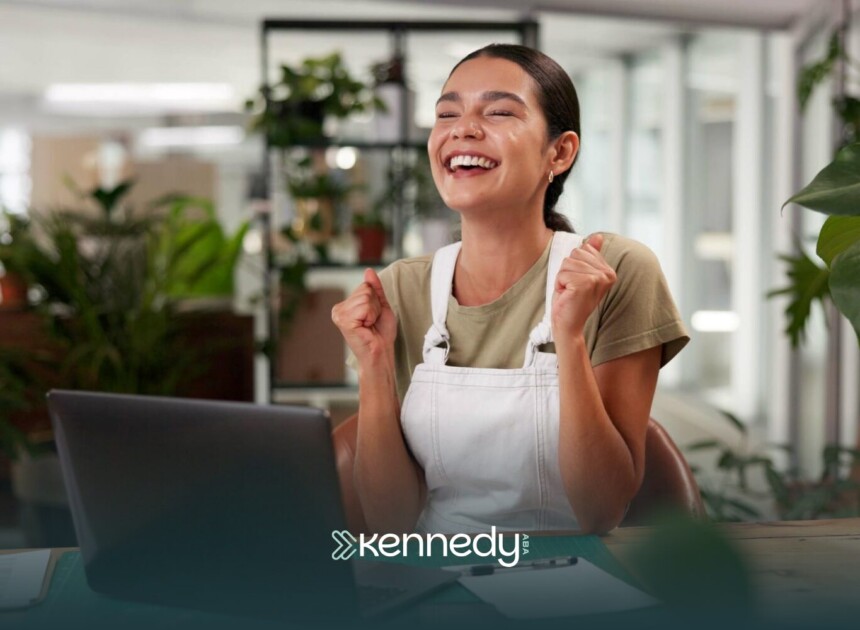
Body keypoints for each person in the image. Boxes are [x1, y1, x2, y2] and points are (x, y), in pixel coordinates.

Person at [331, 43, 689, 536]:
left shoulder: (614, 271)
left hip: (576, 583)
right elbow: (391, 519)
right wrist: (373, 367)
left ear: (559, 152)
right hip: (437, 577)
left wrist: (570, 336)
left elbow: (601, 509)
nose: (463, 128)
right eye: (446, 113)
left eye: (498, 111)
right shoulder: (399, 289)